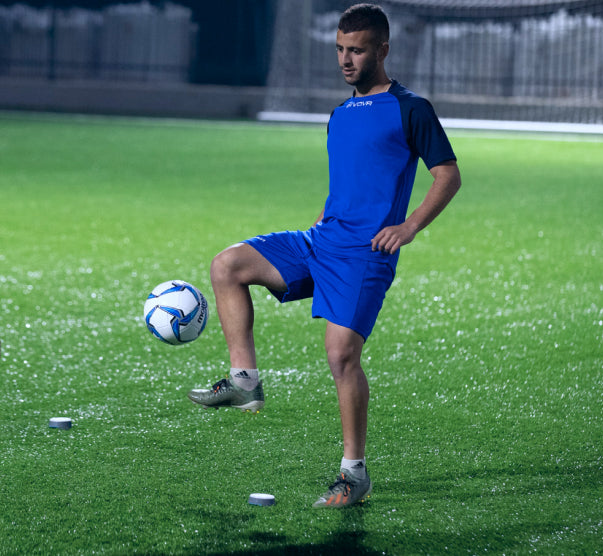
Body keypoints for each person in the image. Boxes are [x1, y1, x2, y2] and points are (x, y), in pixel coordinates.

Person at [188, 4, 462, 508]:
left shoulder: (411, 108)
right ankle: (244, 381)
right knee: (228, 265)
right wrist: (320, 224)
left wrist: (409, 226)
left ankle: (353, 474)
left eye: (355, 50)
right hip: (321, 241)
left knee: (341, 356)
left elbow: (448, 174)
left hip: (365, 255)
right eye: (339, 49)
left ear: (382, 49)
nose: (345, 59)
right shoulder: (339, 113)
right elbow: (348, 185)